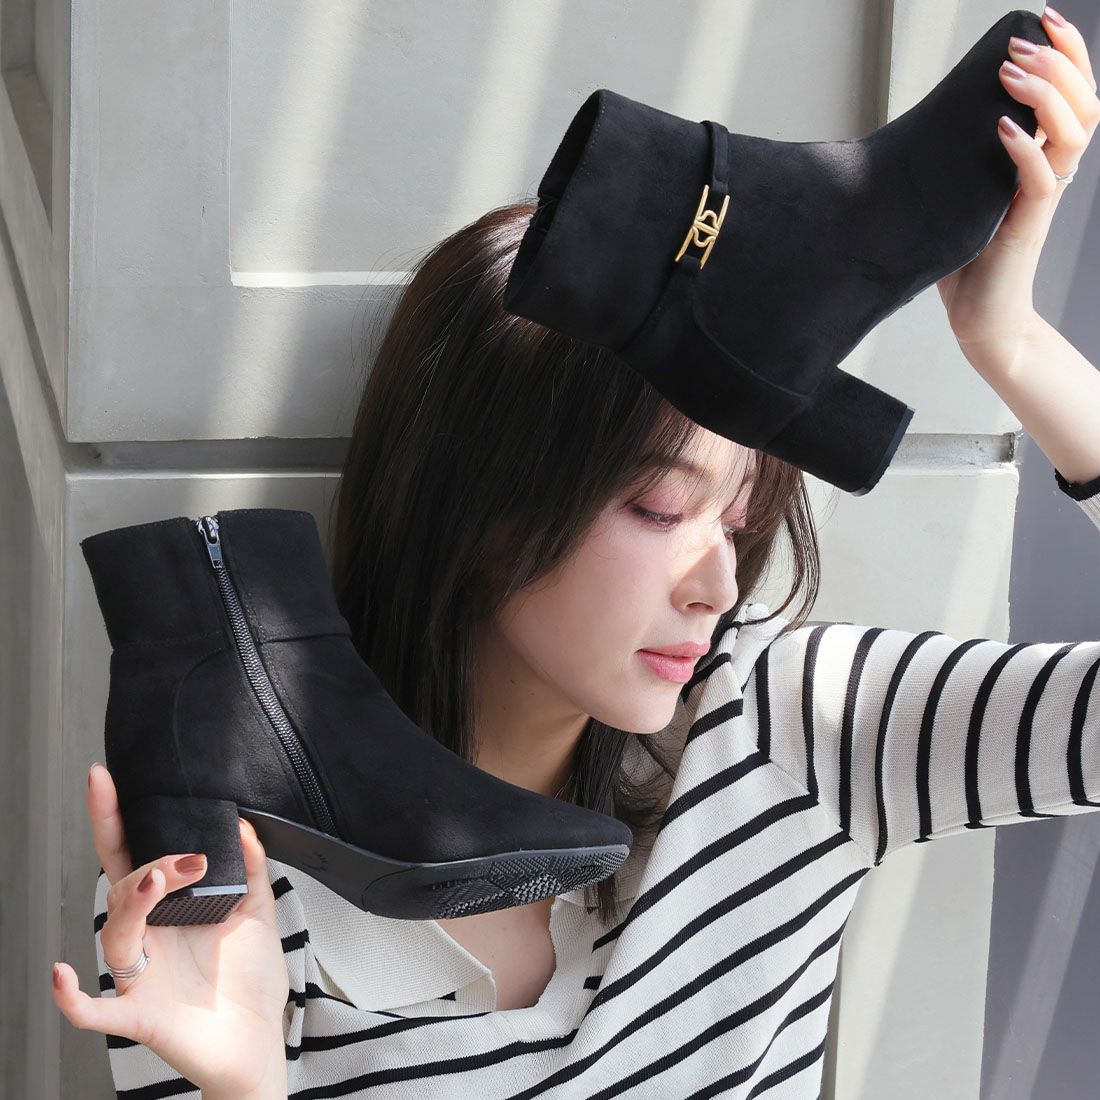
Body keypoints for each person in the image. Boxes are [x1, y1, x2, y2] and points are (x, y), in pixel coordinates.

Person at [52, 9, 1100, 1098]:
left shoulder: (792, 728)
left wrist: (1012, 344)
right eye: (659, 507)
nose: (717, 584)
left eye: (738, 519)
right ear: (481, 497)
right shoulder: (244, 872)